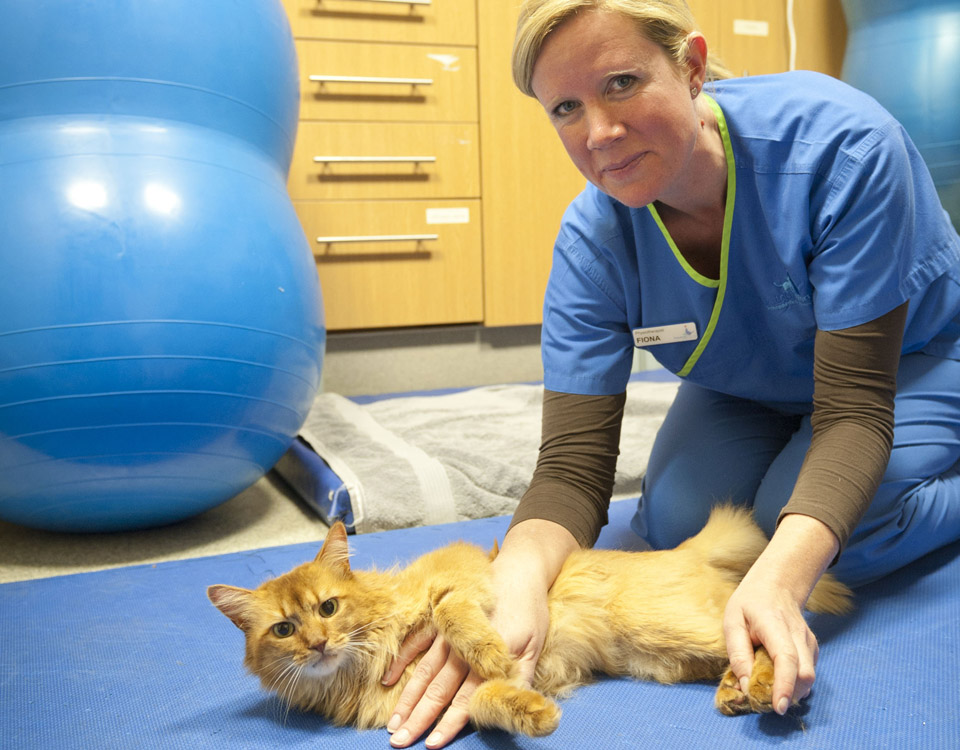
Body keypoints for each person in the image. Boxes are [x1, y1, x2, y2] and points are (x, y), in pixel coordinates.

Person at [381, 1, 960, 747]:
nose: (598, 134)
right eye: (566, 108)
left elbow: (852, 412)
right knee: (687, 529)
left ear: (690, 66)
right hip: (749, 382)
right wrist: (512, 586)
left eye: (621, 83)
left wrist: (782, 585)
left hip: (911, 359)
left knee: (813, 537)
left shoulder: (841, 149)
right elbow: (571, 466)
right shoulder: (594, 241)